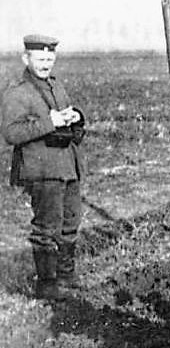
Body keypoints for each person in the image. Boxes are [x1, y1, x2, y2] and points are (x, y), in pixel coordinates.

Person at [1, 34, 86, 301]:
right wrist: (50, 122)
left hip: (67, 167)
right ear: (26, 58)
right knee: (46, 227)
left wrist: (76, 117)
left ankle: (66, 275)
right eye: (40, 59)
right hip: (42, 169)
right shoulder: (17, 92)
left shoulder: (56, 87)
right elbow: (11, 133)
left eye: (50, 58)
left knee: (71, 221)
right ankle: (47, 285)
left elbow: (67, 122)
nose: (46, 63)